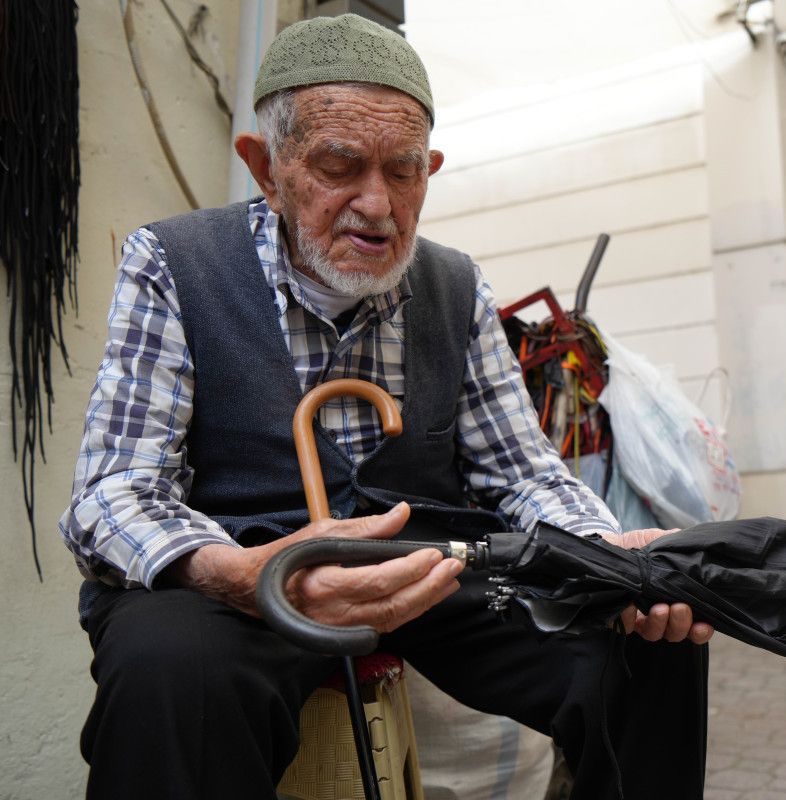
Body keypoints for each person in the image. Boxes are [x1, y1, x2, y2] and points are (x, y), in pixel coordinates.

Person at [60, 14, 711, 800]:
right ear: (266, 168)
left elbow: (522, 473)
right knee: (173, 672)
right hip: (238, 574)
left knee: (647, 636)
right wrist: (244, 576)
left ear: (429, 168)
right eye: (341, 166)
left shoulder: (456, 285)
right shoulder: (173, 263)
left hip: (424, 573)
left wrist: (612, 558)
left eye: (404, 172)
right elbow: (114, 491)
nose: (378, 204)